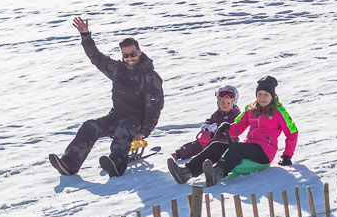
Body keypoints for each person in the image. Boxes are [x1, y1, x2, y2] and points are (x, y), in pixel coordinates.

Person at [48, 16, 164, 178]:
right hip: (116, 116)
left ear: (139, 52)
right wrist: (85, 36)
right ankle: (69, 163)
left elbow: (154, 108)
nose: (129, 59)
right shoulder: (118, 70)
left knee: (124, 129)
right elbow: (96, 57)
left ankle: (116, 164)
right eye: (126, 56)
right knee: (90, 126)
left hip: (136, 122)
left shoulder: (150, 77)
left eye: (132, 54)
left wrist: (144, 131)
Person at [177, 75, 297, 184]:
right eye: (259, 94)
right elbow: (238, 127)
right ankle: (187, 172)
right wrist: (228, 127)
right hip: (248, 147)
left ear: (272, 95)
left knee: (236, 146)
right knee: (216, 145)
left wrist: (287, 155)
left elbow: (292, 133)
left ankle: (218, 172)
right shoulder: (251, 109)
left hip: (265, 151)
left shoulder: (279, 112)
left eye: (266, 94)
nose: (262, 98)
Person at [167, 86, 241, 183]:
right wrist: (207, 125)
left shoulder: (235, 114)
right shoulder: (217, 113)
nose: (225, 105)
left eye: (228, 103)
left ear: (234, 103)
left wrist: (219, 128)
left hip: (227, 141)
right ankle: (185, 171)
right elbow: (210, 120)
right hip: (212, 139)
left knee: (215, 147)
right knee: (197, 145)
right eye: (222, 102)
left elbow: (236, 128)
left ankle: (214, 172)